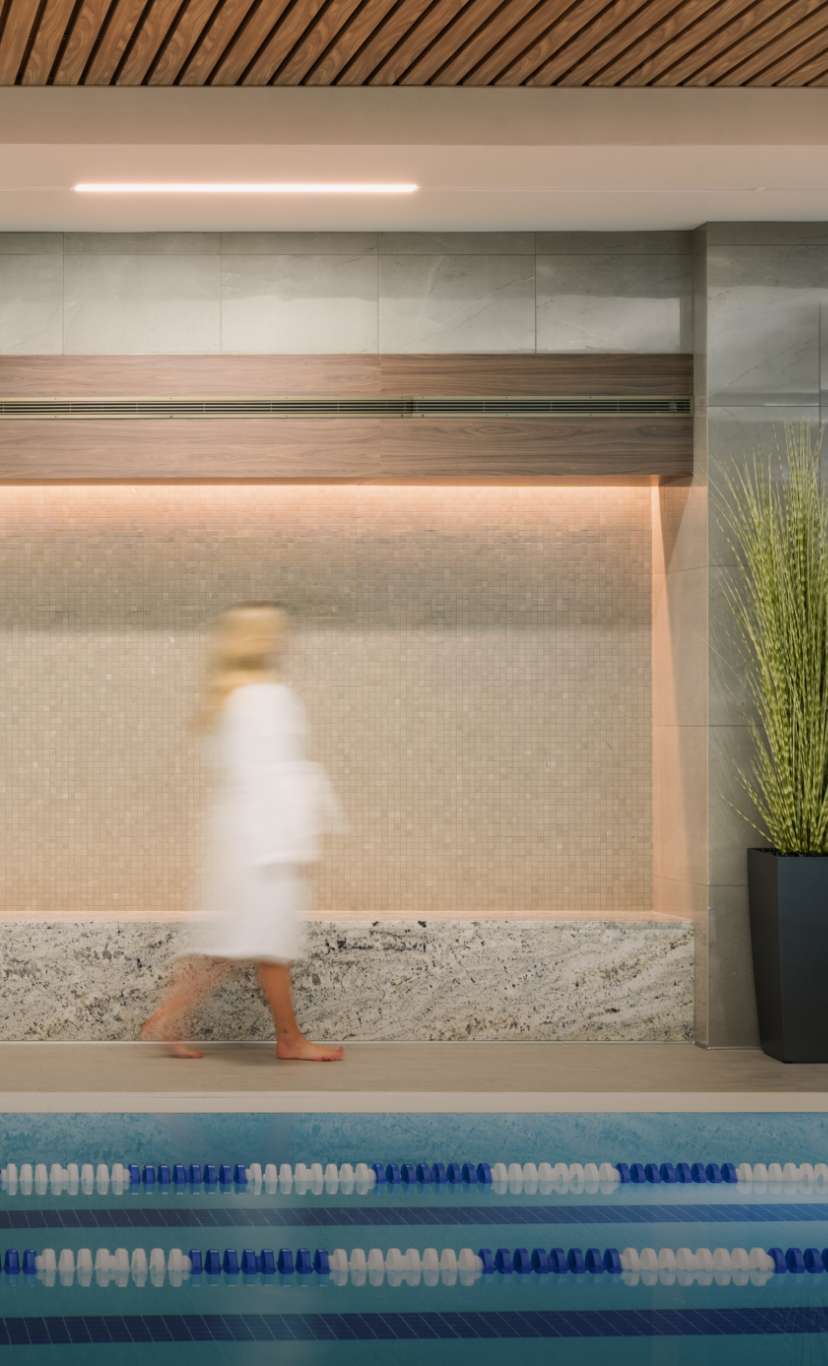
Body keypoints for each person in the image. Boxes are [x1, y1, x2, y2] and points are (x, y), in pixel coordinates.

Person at [141, 601, 345, 1062]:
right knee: (268, 938)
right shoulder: (269, 697)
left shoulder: (227, 698)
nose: (285, 640)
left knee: (236, 936)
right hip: (267, 836)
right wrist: (302, 836)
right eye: (278, 632)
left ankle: (168, 1015)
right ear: (263, 639)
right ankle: (290, 1039)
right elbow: (280, 774)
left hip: (238, 832)